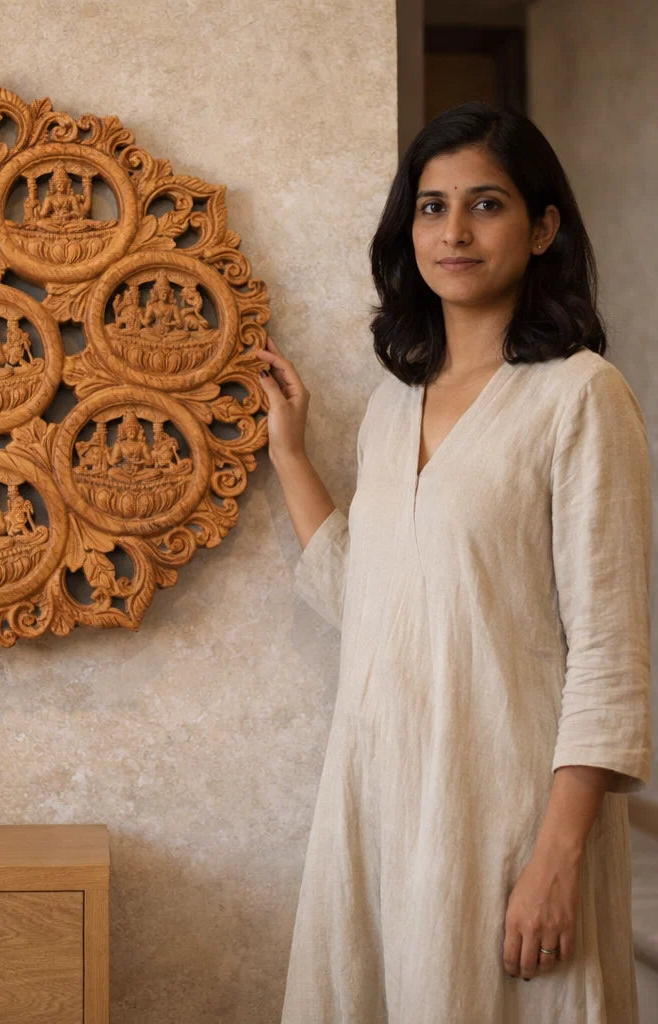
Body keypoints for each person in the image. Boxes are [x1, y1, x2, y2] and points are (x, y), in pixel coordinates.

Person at [258, 102, 651, 1023]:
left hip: (507, 813)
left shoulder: (582, 398)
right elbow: (373, 599)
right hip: (379, 806)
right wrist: (291, 457)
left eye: (486, 204)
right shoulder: (398, 403)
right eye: (432, 208)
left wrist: (555, 858)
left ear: (543, 226)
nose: (455, 232)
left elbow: (611, 652)